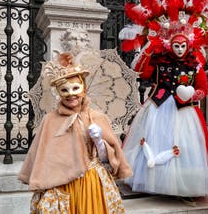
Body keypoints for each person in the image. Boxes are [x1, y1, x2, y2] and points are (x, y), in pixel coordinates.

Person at [119, 0, 208, 206]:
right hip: (157, 107)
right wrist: (149, 46)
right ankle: (152, 181)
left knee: (182, 145)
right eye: (176, 45)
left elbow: (203, 88)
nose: (180, 49)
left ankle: (182, 185)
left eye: (183, 45)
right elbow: (140, 71)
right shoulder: (158, 60)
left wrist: (194, 92)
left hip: (184, 111)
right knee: (154, 141)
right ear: (169, 44)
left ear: (189, 44)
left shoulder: (195, 64)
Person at [18, 52, 132, 213]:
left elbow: (109, 159)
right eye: (64, 90)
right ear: (58, 92)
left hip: (92, 183)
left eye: (75, 88)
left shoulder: (98, 118)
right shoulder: (50, 120)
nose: (71, 94)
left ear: (84, 89)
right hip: (61, 185)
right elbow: (43, 157)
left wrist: (99, 140)